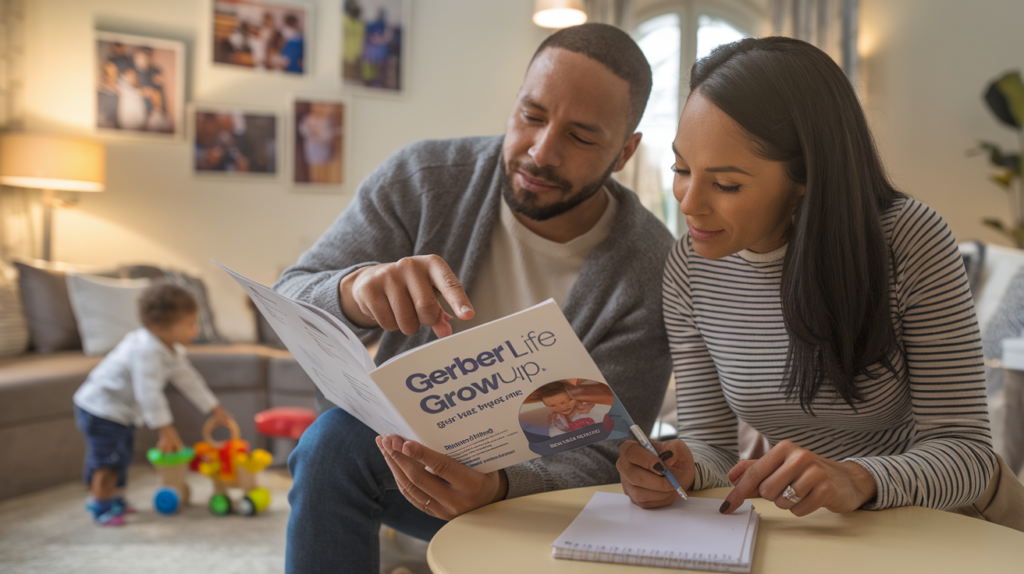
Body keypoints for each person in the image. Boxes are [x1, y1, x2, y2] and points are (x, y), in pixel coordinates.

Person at [273, 23, 673, 573]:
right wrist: (355, 291)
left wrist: (500, 484)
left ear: (625, 152)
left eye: (581, 137)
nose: (541, 151)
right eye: (531, 116)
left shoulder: (650, 267)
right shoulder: (425, 180)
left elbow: (606, 450)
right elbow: (289, 298)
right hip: (410, 467)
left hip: (539, 499)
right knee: (334, 443)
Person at [617, 36, 997, 518]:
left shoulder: (908, 239)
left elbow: (969, 453)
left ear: (805, 180)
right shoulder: (688, 268)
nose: (688, 202)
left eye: (727, 184)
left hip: (930, 519)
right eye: (681, 167)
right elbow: (713, 447)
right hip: (810, 527)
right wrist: (683, 466)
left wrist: (858, 477)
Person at [72, 284, 235, 525]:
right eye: (190, 324)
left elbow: (189, 380)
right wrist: (165, 430)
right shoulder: (146, 350)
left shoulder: (170, 350)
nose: (195, 330)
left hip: (120, 413)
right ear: (160, 327)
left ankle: (114, 498)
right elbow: (148, 393)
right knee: (109, 460)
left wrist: (213, 407)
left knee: (122, 457)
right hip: (101, 409)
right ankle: (101, 505)